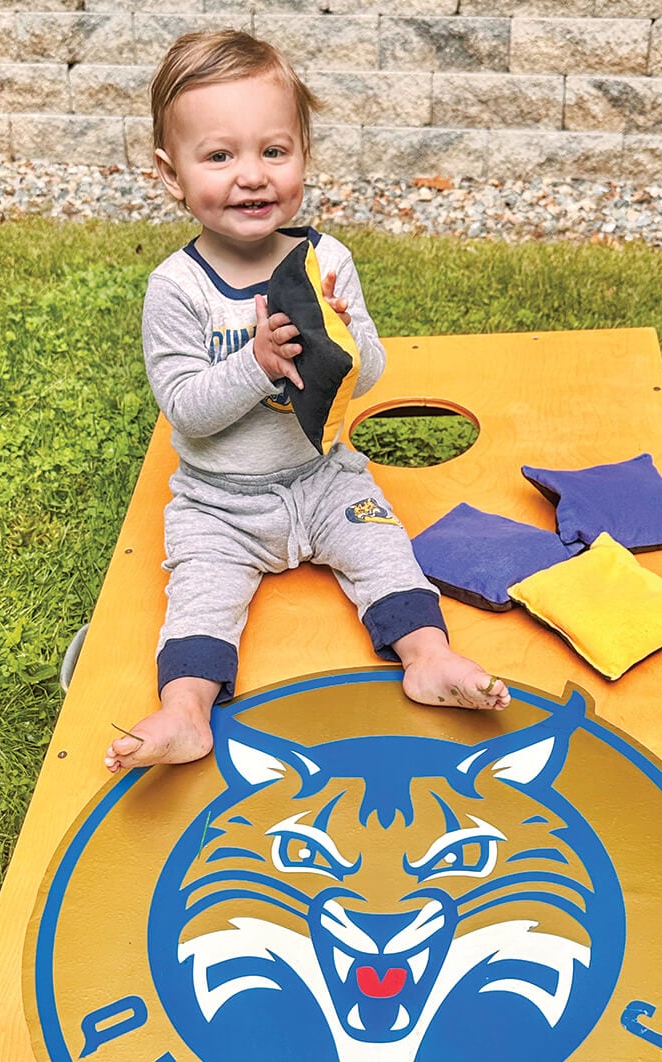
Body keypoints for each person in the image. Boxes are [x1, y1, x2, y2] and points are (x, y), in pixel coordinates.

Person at [104, 29, 509, 774]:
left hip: (324, 479)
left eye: (274, 151)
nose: (251, 176)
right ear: (170, 173)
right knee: (199, 598)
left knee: (385, 554)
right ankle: (186, 710)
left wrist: (351, 337)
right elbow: (186, 408)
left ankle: (428, 658)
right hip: (221, 503)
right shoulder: (178, 289)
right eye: (219, 156)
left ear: (303, 154)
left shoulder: (327, 261)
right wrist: (258, 365)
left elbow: (370, 375)